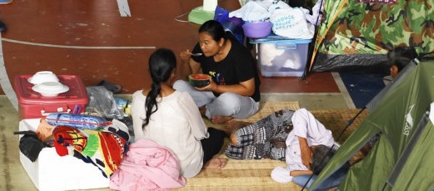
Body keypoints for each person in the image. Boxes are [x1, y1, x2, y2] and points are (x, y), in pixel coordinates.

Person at [131, 48, 227, 178]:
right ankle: (203, 163)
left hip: (150, 163)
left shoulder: (137, 97)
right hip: (184, 167)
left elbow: (138, 137)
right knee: (216, 135)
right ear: (173, 73)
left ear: (150, 71)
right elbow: (200, 134)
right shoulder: (182, 98)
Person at [176, 20, 261, 122]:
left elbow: (248, 90)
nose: (202, 47)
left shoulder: (240, 54)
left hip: (244, 100)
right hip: (211, 93)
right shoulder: (202, 48)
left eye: (206, 43)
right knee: (179, 86)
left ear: (220, 42)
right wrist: (185, 62)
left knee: (230, 101)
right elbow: (187, 78)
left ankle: (204, 111)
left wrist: (216, 87)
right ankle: (215, 111)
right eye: (200, 42)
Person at [225, 107, 335, 185]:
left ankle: (255, 133)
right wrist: (304, 146)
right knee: (237, 139)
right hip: (286, 125)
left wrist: (309, 172)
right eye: (311, 148)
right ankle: (241, 126)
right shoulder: (325, 138)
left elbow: (276, 174)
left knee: (232, 151)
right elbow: (301, 113)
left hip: (280, 151)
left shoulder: (309, 168)